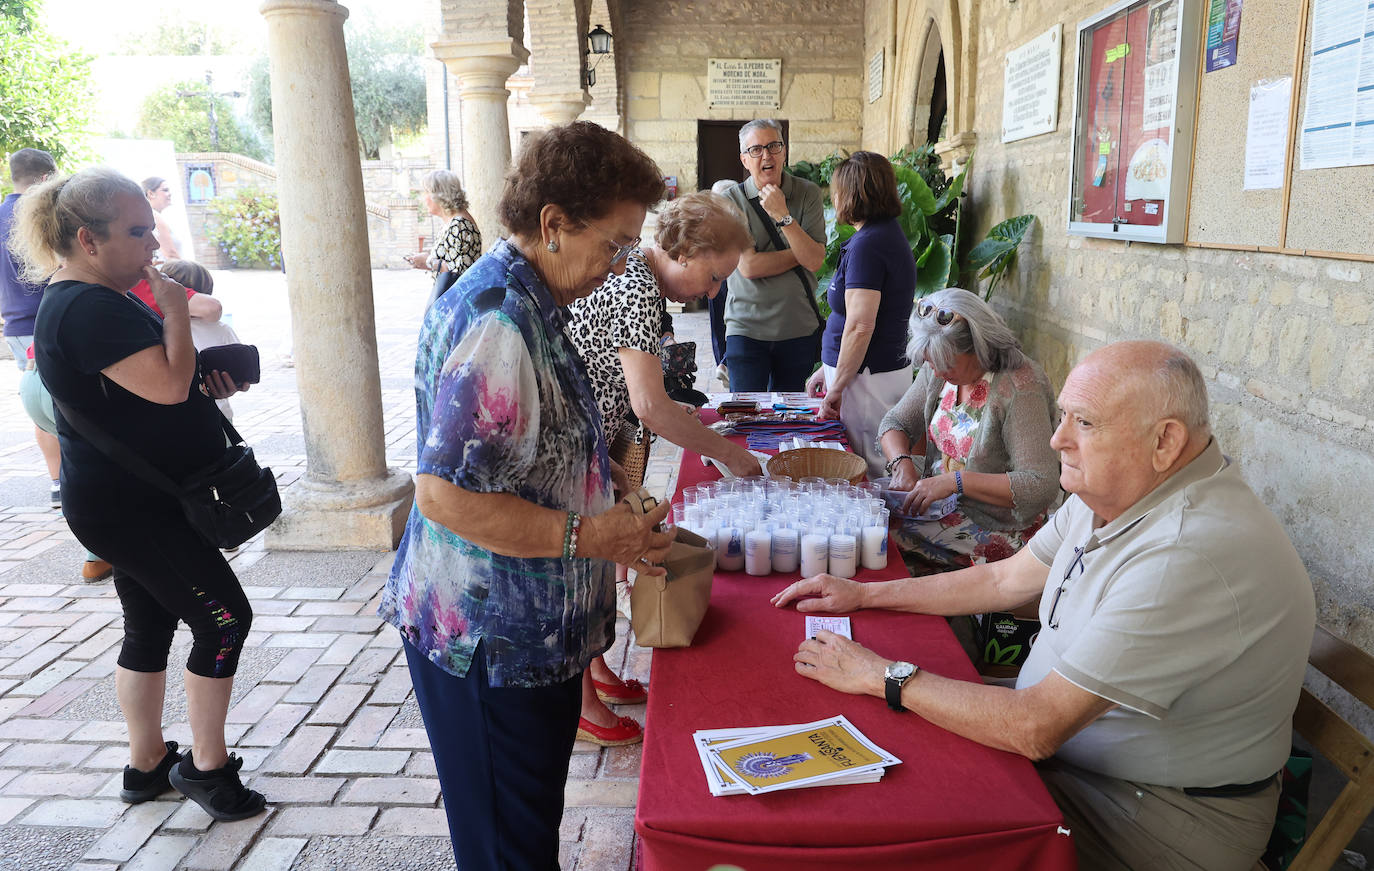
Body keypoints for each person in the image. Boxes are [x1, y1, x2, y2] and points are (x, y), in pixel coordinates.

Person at [774, 341, 1317, 871]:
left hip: (1154, 811)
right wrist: (865, 595)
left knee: (901, 824)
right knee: (874, 746)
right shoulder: (1122, 491)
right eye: (1063, 417)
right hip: (1070, 751)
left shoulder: (1187, 553)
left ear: (1165, 441)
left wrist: (883, 675)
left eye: (1083, 422)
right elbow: (1005, 580)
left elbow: (1035, 728)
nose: (1057, 439)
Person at [378, 121, 673, 870]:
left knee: (522, 833)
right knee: (508, 850)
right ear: (553, 224)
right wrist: (593, 537)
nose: (619, 264)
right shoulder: (502, 321)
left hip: (520, 642)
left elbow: (534, 451)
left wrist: (613, 497)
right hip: (487, 642)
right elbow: (444, 495)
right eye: (613, 243)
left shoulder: (531, 297)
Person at [13, 167, 265, 822]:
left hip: (123, 500)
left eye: (150, 229)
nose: (152, 246)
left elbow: (145, 390)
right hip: (131, 507)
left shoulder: (92, 296)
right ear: (86, 240)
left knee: (149, 622)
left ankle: (146, 761)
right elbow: (166, 385)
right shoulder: (87, 305)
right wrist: (178, 314)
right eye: (137, 232)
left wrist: (201, 374)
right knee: (223, 617)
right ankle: (208, 769)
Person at [564, 190, 760, 746]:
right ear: (688, 251)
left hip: (595, 442)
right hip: (577, 443)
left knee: (603, 566)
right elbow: (649, 403)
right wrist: (728, 453)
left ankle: (595, 672)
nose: (714, 290)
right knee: (586, 569)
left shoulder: (639, 280)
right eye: (714, 275)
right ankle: (582, 705)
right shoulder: (636, 290)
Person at [876, 288, 1059, 570]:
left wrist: (956, 481)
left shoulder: (1021, 387)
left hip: (999, 524)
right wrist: (901, 464)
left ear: (979, 347)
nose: (936, 371)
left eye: (945, 364)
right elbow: (895, 424)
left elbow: (1040, 485)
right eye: (929, 361)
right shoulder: (939, 369)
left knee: (880, 539)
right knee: (869, 518)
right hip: (945, 504)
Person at [805, 151, 917, 477]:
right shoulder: (878, 236)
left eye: (837, 190)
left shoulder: (870, 244)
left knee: (870, 469)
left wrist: (837, 386)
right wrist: (826, 373)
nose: (834, 197)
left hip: (867, 380)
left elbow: (860, 325)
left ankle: (884, 528)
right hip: (864, 375)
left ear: (854, 193)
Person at [720, 119, 826, 393]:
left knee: (791, 419)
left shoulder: (808, 194)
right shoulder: (731, 200)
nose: (766, 155)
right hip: (746, 329)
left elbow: (815, 261)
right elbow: (750, 266)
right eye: (756, 149)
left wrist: (783, 216)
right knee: (746, 416)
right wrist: (801, 251)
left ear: (784, 152)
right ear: (744, 159)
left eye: (773, 146)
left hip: (798, 329)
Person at [2, 147, 62, 509]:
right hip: (50, 321)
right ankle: (73, 482)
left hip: (15, 326)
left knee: (40, 406)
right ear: (44, 178)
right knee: (65, 404)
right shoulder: (45, 214)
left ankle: (58, 481)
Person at [157, 260, 241, 421]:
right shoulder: (221, 328)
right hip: (219, 415)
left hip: (177, 416)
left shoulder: (159, 327)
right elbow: (237, 368)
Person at [403, 169, 481, 309]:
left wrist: (427, 260)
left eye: (426, 192)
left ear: (439, 195)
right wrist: (425, 262)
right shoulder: (453, 222)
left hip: (456, 308)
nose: (423, 198)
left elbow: (457, 274)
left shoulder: (459, 224)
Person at [707, 178, 737, 387]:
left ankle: (725, 363)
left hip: (735, 280)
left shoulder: (742, 222)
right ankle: (723, 364)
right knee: (718, 323)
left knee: (732, 322)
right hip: (715, 280)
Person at [141, 177, 184, 262]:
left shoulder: (153, 215)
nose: (170, 193)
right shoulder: (154, 216)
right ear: (151, 193)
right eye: (165, 190)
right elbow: (171, 253)